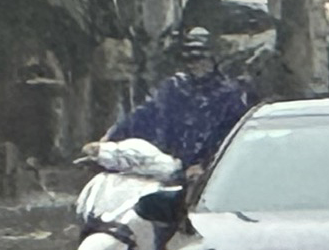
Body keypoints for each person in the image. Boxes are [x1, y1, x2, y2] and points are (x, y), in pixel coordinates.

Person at [108, 27, 256, 169]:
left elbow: (234, 138)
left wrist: (204, 165)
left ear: (212, 59)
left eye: (198, 59)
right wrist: (110, 139)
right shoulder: (174, 88)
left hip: (210, 174)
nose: (193, 65)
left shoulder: (229, 95)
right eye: (188, 60)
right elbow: (144, 115)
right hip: (170, 169)